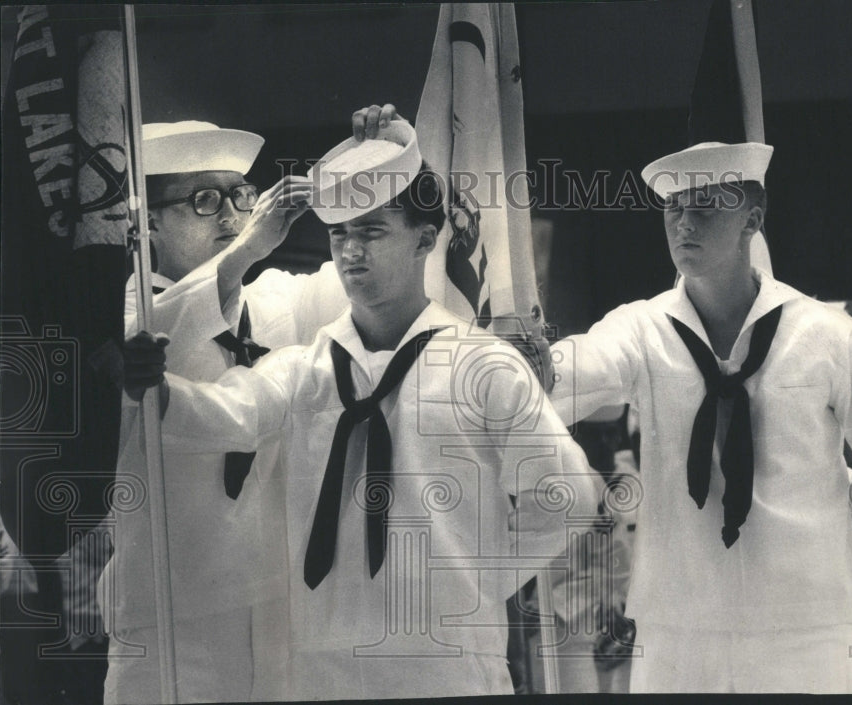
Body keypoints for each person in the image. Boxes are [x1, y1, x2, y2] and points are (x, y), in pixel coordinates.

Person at [124, 120, 600, 700]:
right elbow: (228, 410)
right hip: (282, 647)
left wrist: (477, 581)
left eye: (369, 231)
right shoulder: (302, 367)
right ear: (147, 221)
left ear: (426, 240)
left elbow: (568, 494)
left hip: (440, 658)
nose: (351, 250)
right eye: (340, 234)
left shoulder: (479, 364)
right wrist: (161, 390)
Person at [547, 142, 852, 693]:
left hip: (806, 629)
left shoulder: (824, 336)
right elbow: (569, 374)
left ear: (752, 220)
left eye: (705, 206)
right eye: (673, 208)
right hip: (680, 631)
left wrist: (816, 530)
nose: (684, 223)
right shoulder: (641, 330)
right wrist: (531, 363)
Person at [100, 109, 397, 703]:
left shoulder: (274, 298)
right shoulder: (124, 310)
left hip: (279, 603)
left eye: (241, 195)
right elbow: (153, 342)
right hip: (169, 615)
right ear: (147, 223)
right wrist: (250, 249)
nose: (235, 216)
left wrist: (383, 166)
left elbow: (383, 284)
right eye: (205, 200)